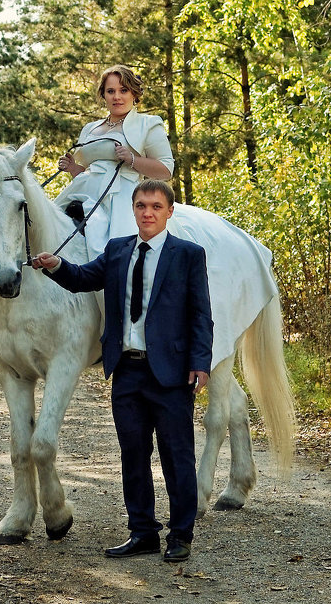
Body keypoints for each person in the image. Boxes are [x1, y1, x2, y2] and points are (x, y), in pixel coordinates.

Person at [31, 179, 212, 563]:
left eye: (156, 207)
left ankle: (181, 534)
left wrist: (200, 363)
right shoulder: (117, 251)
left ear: (169, 212)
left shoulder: (188, 255)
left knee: (177, 456)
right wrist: (56, 265)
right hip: (127, 370)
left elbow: (201, 315)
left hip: (171, 374)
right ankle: (142, 531)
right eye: (141, 205)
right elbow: (82, 279)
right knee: (133, 455)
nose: (148, 213)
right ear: (133, 209)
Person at [55, 65, 175, 257]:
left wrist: (132, 159)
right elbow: (87, 171)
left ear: (134, 93)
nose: (116, 97)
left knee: (121, 253)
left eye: (123, 90)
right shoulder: (89, 128)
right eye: (110, 91)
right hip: (83, 190)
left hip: (122, 194)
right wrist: (72, 168)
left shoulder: (148, 124)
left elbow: (166, 170)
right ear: (103, 95)